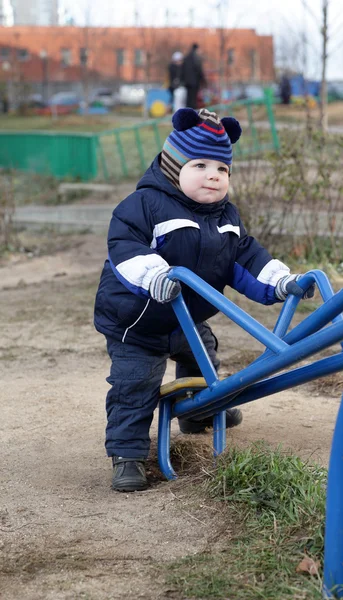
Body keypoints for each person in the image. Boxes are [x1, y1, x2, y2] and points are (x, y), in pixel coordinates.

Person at [94, 107, 315, 493]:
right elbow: (124, 248)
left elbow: (246, 258)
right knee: (136, 384)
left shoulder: (226, 215)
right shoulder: (144, 205)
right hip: (139, 321)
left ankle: (198, 413)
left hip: (187, 320)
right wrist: (154, 276)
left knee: (203, 358)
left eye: (222, 169)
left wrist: (281, 282)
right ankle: (127, 455)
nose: (213, 175)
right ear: (173, 166)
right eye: (200, 165)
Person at [181, 43, 206, 109]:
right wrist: (203, 81)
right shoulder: (196, 58)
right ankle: (193, 113)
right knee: (193, 99)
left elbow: (182, 70)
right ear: (197, 49)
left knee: (188, 99)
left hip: (187, 82)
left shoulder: (186, 57)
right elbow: (199, 70)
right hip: (194, 82)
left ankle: (187, 112)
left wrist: (183, 80)